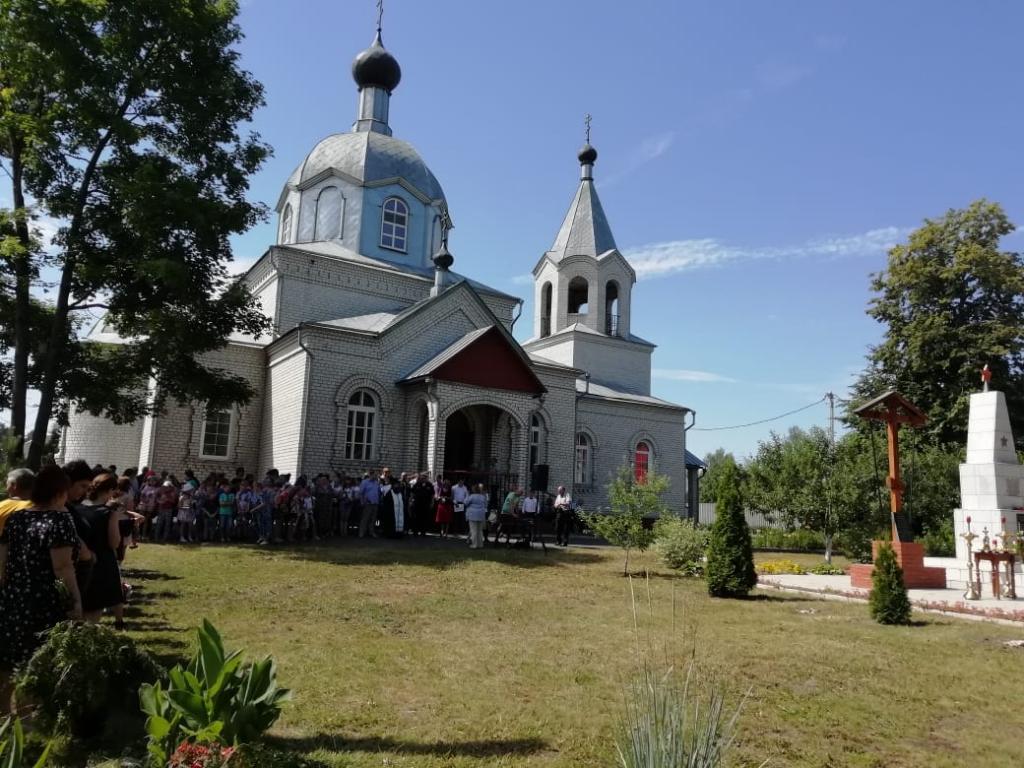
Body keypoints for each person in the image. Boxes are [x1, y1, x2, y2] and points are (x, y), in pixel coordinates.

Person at [0, 465, 82, 692]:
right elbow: (63, 567)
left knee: (9, 659)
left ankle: (5, 715)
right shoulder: (60, 521)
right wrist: (75, 601)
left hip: (13, 598)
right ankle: (30, 718)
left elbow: (2, 562)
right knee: (39, 662)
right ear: (59, 493)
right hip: (45, 602)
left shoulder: (16, 519)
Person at [75, 474, 126, 627]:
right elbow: (114, 543)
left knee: (81, 602)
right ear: (109, 490)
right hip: (103, 562)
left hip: (80, 561)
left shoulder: (77, 509)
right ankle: (87, 639)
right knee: (96, 606)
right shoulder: (108, 513)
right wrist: (115, 518)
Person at [0, 468, 34, 537]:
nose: (6, 488)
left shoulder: (2, 507)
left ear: (14, 485)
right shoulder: (47, 506)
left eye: (7, 484)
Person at [464, 483, 488, 550]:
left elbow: (465, 503)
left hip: (473, 515)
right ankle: (480, 544)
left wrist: (467, 495)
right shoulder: (483, 497)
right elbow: (486, 505)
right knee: (480, 530)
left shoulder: (472, 496)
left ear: (474, 490)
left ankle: (474, 545)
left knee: (473, 530)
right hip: (481, 515)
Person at [410, 473, 435, 537]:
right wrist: (412, 500)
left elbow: (432, 495)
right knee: (416, 518)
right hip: (417, 504)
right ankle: (415, 531)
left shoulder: (430, 485)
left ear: (427, 478)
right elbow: (412, 492)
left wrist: (432, 503)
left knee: (424, 518)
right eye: (422, 478)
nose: (424, 479)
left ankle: (423, 532)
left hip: (426, 505)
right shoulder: (417, 484)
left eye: (425, 478)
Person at [358, 470, 380, 538]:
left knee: (373, 519)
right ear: (371, 475)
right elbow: (361, 493)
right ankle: (361, 533)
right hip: (367, 503)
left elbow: (378, 492)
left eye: (376, 475)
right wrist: (362, 502)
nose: (376, 476)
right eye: (375, 475)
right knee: (365, 519)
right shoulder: (365, 482)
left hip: (375, 503)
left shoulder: (376, 483)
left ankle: (371, 532)